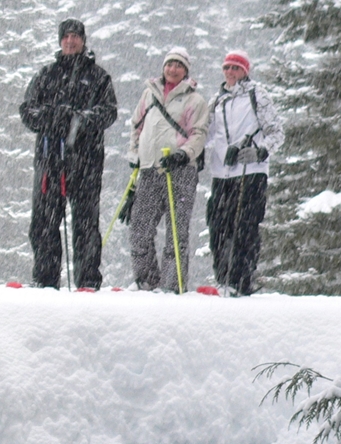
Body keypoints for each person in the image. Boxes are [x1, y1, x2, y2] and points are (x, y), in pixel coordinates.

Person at [19, 19, 118, 289]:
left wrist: (79, 120)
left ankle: (87, 280)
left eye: (75, 37)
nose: (70, 41)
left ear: (83, 40)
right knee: (44, 223)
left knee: (86, 224)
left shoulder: (98, 76)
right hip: (50, 162)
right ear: (60, 41)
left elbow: (109, 112)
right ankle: (45, 279)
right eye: (66, 37)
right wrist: (49, 118)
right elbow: (27, 111)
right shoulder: (46, 74)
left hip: (86, 161)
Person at [125, 47, 210, 292]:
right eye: (169, 64)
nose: (173, 69)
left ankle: (173, 285)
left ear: (186, 70)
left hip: (180, 171)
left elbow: (199, 133)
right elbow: (136, 126)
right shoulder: (148, 95)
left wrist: (184, 154)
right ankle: (147, 280)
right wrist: (135, 154)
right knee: (139, 229)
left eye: (178, 65)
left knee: (176, 231)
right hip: (150, 169)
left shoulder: (195, 100)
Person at [203, 51, 283, 296]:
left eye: (236, 68)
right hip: (222, 174)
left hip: (251, 172)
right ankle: (223, 280)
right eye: (227, 67)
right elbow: (203, 133)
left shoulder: (257, 94)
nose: (230, 72)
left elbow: (277, 132)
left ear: (245, 71)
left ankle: (241, 282)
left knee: (244, 228)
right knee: (218, 228)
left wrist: (259, 152)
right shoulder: (216, 100)